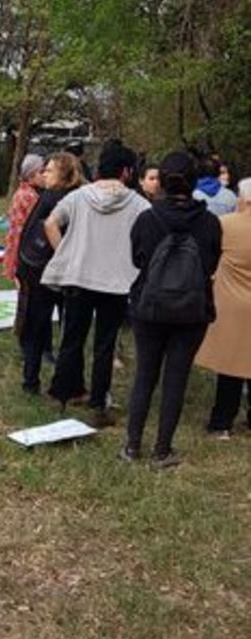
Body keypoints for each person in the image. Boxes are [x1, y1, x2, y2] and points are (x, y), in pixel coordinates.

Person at [123, 152, 222, 467]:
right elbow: (211, 264)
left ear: (161, 181)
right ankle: (162, 449)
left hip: (149, 306)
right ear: (194, 181)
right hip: (192, 310)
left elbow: (137, 259)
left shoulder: (147, 219)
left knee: (145, 375)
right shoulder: (209, 222)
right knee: (176, 378)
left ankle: (132, 445)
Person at [42, 142, 149, 425]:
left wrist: (65, 252)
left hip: (78, 276)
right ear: (126, 171)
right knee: (105, 344)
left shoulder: (79, 196)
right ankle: (99, 402)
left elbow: (50, 223)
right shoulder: (138, 203)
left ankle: (62, 396)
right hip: (115, 283)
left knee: (71, 339)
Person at [16, 153, 83, 393]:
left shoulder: (56, 199)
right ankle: (65, 382)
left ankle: (31, 380)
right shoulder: (61, 197)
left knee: (37, 327)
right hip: (53, 271)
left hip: (41, 271)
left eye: (50, 170)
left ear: (64, 175)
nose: (44, 174)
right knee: (67, 329)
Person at [196, 177, 251, 439]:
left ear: (245, 199)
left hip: (231, 302)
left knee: (230, 365)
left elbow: (208, 255)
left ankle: (221, 422)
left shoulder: (225, 224)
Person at [2, 154, 45, 282]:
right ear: (31, 175)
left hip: (17, 244)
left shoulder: (22, 192)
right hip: (23, 246)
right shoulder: (30, 196)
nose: (45, 176)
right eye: (41, 172)